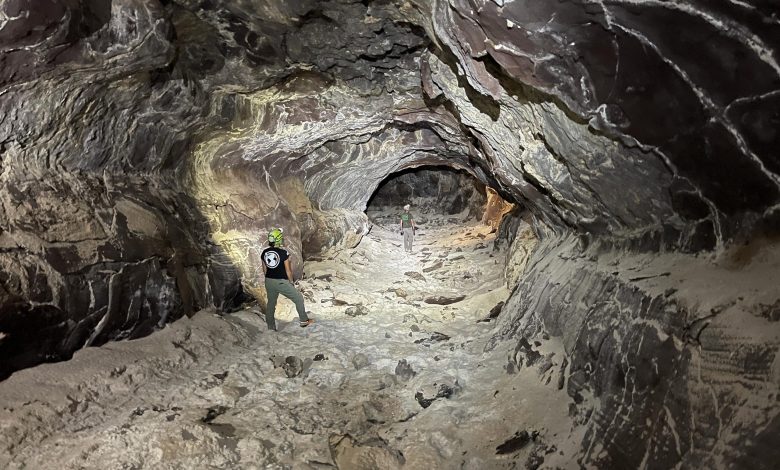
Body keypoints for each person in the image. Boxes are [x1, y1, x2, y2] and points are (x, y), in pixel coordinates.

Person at [261, 228, 314, 330]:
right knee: (298, 298)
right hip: (281, 281)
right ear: (279, 239)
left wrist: (270, 279)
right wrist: (291, 282)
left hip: (269, 281)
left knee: (271, 303)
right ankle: (304, 321)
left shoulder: (264, 252)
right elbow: (288, 270)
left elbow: (265, 270)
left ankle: (271, 327)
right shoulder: (283, 253)